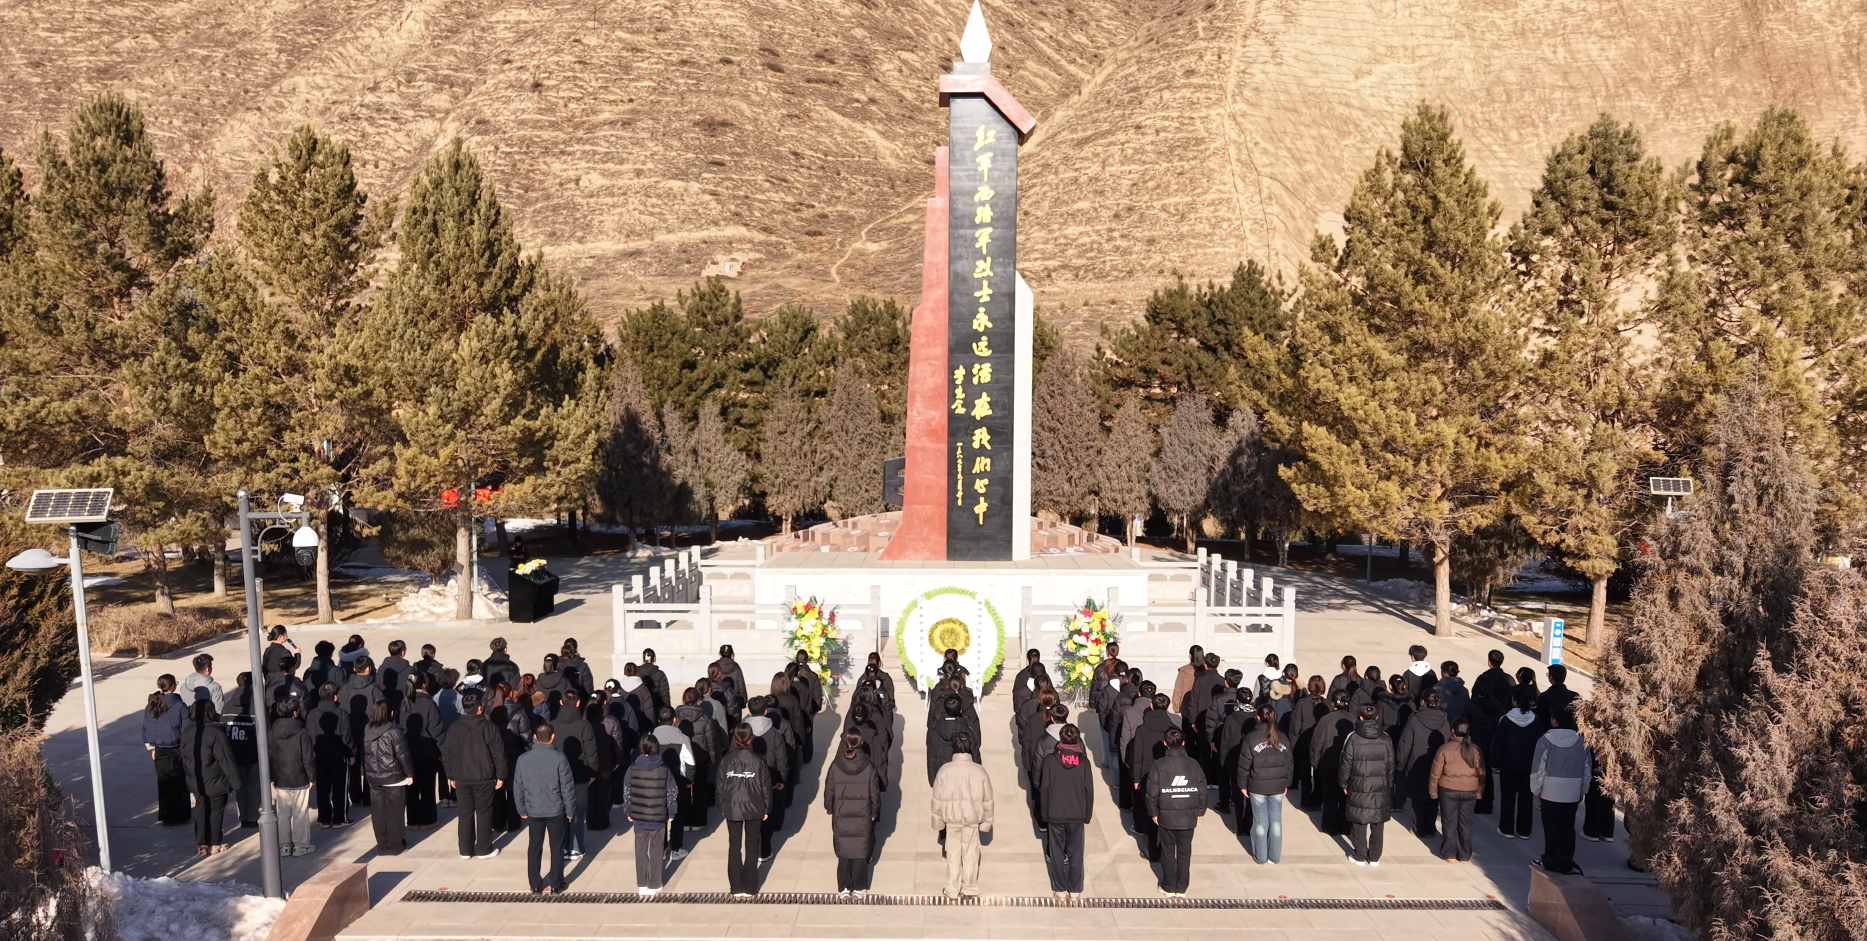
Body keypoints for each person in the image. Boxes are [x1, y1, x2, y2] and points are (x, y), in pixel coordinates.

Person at [442, 687, 507, 860]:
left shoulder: (454, 729)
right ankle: (484, 849)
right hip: (483, 777)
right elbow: (498, 753)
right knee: (484, 813)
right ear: (480, 707)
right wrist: (501, 775)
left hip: (462, 778)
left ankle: (465, 850)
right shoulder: (489, 727)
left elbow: (446, 754)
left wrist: (451, 775)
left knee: (465, 813)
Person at [513, 722, 577, 894]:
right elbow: (567, 788)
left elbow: (518, 787)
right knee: (557, 847)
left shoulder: (523, 759)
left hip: (533, 810)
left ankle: (535, 884)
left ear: (535, 737)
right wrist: (570, 810)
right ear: (552, 737)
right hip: (555, 810)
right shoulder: (560, 759)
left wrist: (521, 809)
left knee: (534, 847)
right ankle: (556, 883)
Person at [929, 732, 992, 899]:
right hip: (972, 820)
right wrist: (986, 822)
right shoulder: (980, 771)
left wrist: (938, 822)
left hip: (952, 821)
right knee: (971, 854)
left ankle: (952, 888)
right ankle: (970, 888)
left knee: (953, 855)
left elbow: (937, 799)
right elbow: (987, 800)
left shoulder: (944, 770)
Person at [1144, 727, 1207, 895]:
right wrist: (1200, 811)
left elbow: (1151, 793)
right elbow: (1202, 791)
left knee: (1167, 852)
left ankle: (1169, 885)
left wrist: (1153, 813)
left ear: (1165, 743)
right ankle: (1182, 887)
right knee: (1185, 853)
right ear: (1183, 743)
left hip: (1166, 816)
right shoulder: (1193, 764)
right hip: (1188, 817)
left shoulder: (1159, 765)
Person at [1530, 709, 1591, 875]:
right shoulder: (1581, 742)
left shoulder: (1544, 741)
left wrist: (1535, 790)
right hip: (1572, 792)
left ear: (1554, 720)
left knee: (1551, 828)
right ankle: (1566, 862)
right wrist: (1583, 790)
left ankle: (1550, 860)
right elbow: (1587, 770)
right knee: (1568, 828)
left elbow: (1538, 769)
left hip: (1550, 792)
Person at [823, 730, 882, 898]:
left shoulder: (836, 765)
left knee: (843, 851)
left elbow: (829, 790)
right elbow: (874, 794)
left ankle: (844, 887)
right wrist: (874, 812)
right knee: (860, 851)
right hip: (862, 815)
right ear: (861, 743)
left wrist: (830, 809)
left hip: (841, 813)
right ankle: (859, 887)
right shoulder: (869, 766)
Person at [1037, 723, 1093, 899]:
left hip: (1055, 812)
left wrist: (1044, 813)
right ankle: (1075, 889)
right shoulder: (1083, 762)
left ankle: (1060, 888)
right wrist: (1087, 814)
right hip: (1077, 813)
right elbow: (1089, 790)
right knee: (1076, 853)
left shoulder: (1050, 760)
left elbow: (1045, 788)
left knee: (1057, 852)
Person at [715, 723, 772, 897]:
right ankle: (750, 887)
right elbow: (766, 787)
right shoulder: (758, 760)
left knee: (734, 845)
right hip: (754, 807)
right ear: (750, 738)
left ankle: (736, 887)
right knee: (752, 846)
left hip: (732, 808)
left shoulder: (726, 760)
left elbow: (719, 786)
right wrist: (767, 807)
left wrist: (721, 805)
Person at [1236, 703, 1292, 865]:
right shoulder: (1282, 737)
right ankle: (1274, 856)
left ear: (1258, 718)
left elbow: (1244, 765)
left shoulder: (1250, 738)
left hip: (1257, 786)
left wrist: (1242, 785)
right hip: (1278, 785)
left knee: (1260, 822)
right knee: (1276, 821)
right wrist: (1287, 783)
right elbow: (1290, 763)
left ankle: (1260, 856)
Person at [181, 700, 239, 855]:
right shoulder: (215, 732)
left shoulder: (187, 731)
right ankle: (215, 842)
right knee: (216, 811)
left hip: (196, 780)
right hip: (216, 780)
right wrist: (236, 782)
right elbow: (226, 759)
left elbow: (184, 757)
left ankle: (201, 843)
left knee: (201, 810)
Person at [1340, 705, 1395, 866]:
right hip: (1380, 786)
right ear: (1376, 718)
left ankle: (1359, 855)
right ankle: (1375, 857)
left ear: (1360, 718)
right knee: (1378, 822)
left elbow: (1345, 764)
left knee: (1359, 820)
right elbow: (1391, 764)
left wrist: (1343, 783)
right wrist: (1388, 782)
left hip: (1359, 784)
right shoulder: (1386, 738)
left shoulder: (1353, 738)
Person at [623, 736, 679, 895]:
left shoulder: (632, 767)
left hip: (639, 817)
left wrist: (628, 810)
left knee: (640, 850)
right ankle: (654, 884)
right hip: (658, 817)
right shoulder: (664, 768)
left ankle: (642, 884)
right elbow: (672, 792)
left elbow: (627, 790)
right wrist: (671, 811)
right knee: (656, 851)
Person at [1492, 688, 1546, 840]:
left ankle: (1507, 829)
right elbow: (1540, 745)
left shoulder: (1506, 719)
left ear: (1514, 701)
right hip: (1528, 766)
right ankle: (1524, 830)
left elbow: (1498, 743)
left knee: (1507, 798)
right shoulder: (1536, 720)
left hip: (1508, 765)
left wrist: (1495, 762)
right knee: (1526, 799)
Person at [1128, 692, 1177, 857]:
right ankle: (1164, 849)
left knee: (1148, 810)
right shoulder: (1173, 729)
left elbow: (1137, 755)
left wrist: (1136, 778)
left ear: (1151, 705)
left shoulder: (1142, 729)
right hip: (1168, 774)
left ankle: (1150, 851)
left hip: (1146, 773)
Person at [1429, 717, 1486, 863]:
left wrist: (1433, 791)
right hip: (1470, 790)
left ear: (1452, 731)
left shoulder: (1444, 749)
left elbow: (1435, 773)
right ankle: (1464, 855)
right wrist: (1479, 791)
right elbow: (1481, 774)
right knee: (1466, 822)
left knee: (1449, 821)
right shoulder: (1476, 750)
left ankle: (1449, 854)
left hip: (1448, 789)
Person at [1396, 688, 1451, 837]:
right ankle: (1430, 828)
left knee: (1418, 799)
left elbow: (1404, 745)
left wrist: (1400, 765)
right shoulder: (1445, 721)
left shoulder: (1414, 720)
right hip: (1438, 766)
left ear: (1423, 702)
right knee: (1433, 797)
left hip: (1416, 765)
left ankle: (1419, 828)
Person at [554, 689, 600, 861]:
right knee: (578, 813)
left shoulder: (553, 724)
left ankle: (564, 846)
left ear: (561, 702)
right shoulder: (584, 725)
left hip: (558, 776)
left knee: (561, 812)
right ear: (578, 703)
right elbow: (591, 751)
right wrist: (593, 772)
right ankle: (575, 847)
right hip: (580, 775)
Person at [363, 701, 414, 856]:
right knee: (395, 812)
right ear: (390, 713)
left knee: (378, 813)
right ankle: (395, 845)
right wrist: (410, 774)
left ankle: (382, 845)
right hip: (394, 777)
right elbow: (403, 755)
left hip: (374, 778)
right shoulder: (394, 731)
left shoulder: (367, 730)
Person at [270, 698, 316, 856]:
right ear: (295, 713)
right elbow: (308, 758)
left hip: (280, 778)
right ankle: (301, 845)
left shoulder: (272, 732)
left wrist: (272, 777)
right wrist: (312, 777)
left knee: (283, 814)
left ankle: (284, 845)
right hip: (299, 777)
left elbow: (270, 756)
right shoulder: (302, 733)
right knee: (300, 813)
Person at [142, 674, 190, 826]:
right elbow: (186, 730)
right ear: (173, 686)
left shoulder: (152, 705)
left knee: (163, 781)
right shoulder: (180, 706)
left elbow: (145, 728)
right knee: (179, 781)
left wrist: (151, 747)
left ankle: (166, 814)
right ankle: (181, 815)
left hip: (159, 749)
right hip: (177, 748)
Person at [1469, 650, 1512, 816]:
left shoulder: (1482, 681)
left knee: (1478, 772)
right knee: (1488, 772)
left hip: (1477, 740)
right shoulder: (1508, 680)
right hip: (1494, 739)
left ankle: (1478, 802)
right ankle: (1488, 803)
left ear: (1489, 661)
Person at [1309, 689, 1355, 836]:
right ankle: (1345, 826)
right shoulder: (1354, 720)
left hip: (1328, 764)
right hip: (1349, 766)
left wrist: (1315, 762)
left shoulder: (1325, 720)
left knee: (1330, 798)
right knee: (1345, 798)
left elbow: (1317, 743)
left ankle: (1330, 826)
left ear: (1332, 703)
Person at [402, 673, 444, 830]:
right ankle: (428, 820)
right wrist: (442, 750)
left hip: (407, 753)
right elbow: (437, 730)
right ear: (424, 685)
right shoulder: (428, 703)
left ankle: (413, 821)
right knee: (427, 788)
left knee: (411, 788)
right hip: (427, 753)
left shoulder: (403, 703)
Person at [308, 683, 353, 827]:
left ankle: (324, 818)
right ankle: (340, 818)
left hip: (319, 757)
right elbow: (346, 737)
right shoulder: (342, 713)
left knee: (322, 789)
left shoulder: (311, 714)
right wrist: (351, 754)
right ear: (335, 697)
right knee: (340, 788)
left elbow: (310, 736)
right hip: (339, 757)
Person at [342, 657, 384, 806]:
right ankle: (368, 797)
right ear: (368, 669)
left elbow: (342, 709)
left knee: (353, 764)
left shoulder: (345, 688)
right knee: (369, 765)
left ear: (354, 669)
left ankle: (355, 797)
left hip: (351, 731)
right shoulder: (374, 689)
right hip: (370, 732)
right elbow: (381, 711)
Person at [224, 672, 261, 828]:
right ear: (252, 685)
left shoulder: (227, 707)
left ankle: (243, 817)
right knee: (253, 786)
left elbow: (223, 730)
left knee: (240, 786)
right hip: (254, 754)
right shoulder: (258, 707)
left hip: (234, 754)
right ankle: (252, 817)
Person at [1288, 675, 1328, 810]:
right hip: (1320, 745)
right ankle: (1317, 801)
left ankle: (1306, 801)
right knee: (1318, 774)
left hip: (1304, 743)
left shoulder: (1302, 703)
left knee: (1305, 775)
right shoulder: (1327, 704)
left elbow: (1295, 727)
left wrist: (1292, 745)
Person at [926, 695, 978, 785]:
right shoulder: (968, 731)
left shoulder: (933, 731)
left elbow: (930, 757)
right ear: (960, 711)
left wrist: (932, 780)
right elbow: (976, 757)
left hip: (941, 777)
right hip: (963, 778)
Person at [1171, 645, 1204, 717]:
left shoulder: (1183, 671)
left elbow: (1178, 689)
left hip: (1186, 707)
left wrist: (1176, 706)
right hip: (1203, 707)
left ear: (1190, 656)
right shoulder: (1206, 671)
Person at [638, 648, 672, 717]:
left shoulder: (636, 673)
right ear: (654, 658)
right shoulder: (660, 674)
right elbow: (665, 695)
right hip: (656, 707)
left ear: (643, 657)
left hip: (640, 707)